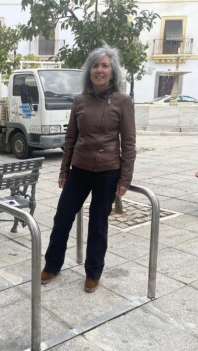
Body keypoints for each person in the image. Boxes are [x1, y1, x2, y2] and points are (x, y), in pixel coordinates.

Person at [41, 44, 136, 293]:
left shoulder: (123, 101)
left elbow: (129, 142)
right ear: (89, 71)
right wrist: (64, 171)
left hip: (108, 172)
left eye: (105, 65)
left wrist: (125, 178)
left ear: (113, 72)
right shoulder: (79, 101)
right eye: (95, 65)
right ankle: (52, 264)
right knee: (62, 217)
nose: (99, 70)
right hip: (79, 171)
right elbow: (70, 139)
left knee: (98, 225)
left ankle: (93, 272)